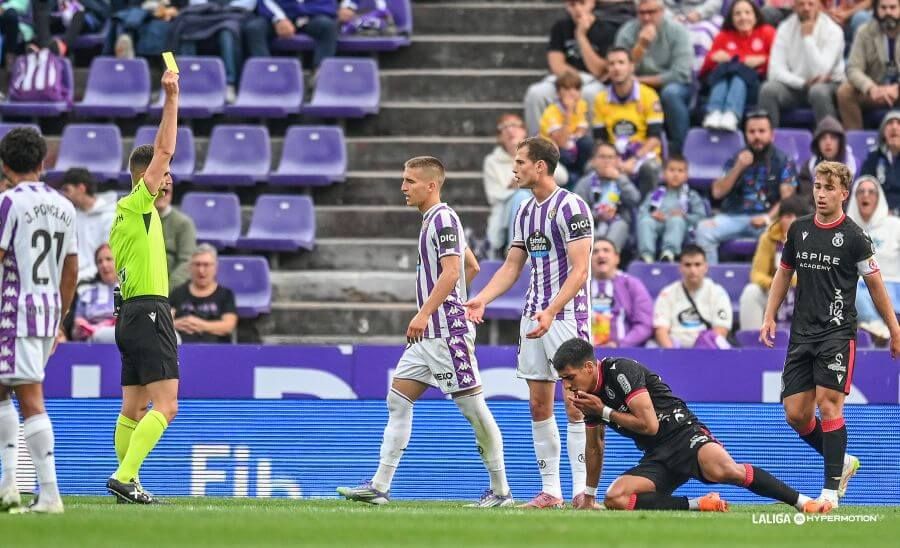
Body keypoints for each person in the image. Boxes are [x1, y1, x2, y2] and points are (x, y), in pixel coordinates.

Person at [337, 157, 513, 508]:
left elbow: (451, 272)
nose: (403, 187)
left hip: (446, 335)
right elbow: (471, 266)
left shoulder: (443, 219)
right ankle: (379, 486)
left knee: (475, 411)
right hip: (428, 337)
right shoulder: (433, 221)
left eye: (410, 181)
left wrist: (428, 313)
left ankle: (501, 492)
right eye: (404, 180)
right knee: (398, 399)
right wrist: (457, 302)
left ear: (431, 185)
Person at [552, 337, 834, 513]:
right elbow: (595, 446)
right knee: (616, 498)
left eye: (569, 377)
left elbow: (649, 425)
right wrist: (589, 495)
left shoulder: (621, 371)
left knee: (725, 470)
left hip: (684, 435)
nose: (567, 386)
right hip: (657, 456)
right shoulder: (588, 398)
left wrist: (604, 411)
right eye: (563, 380)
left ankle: (803, 502)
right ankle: (699, 504)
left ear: (589, 368)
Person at [761, 161, 900, 507]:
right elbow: (783, 273)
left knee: (829, 405)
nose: (820, 194)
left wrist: (894, 328)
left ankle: (829, 493)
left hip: (837, 333)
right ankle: (844, 462)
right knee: (795, 414)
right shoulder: (799, 230)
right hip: (801, 334)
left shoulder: (855, 237)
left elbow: (876, 285)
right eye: (817, 187)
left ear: (843, 193)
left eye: (828, 188)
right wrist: (769, 315)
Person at [465, 137, 593, 509]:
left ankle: (582, 492)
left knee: (576, 404)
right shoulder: (523, 210)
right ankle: (551, 491)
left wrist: (553, 310)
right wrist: (482, 298)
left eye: (520, 162)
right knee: (539, 405)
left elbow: (581, 269)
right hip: (534, 316)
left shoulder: (572, 206)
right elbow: (512, 266)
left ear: (540, 166)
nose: (514, 168)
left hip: (566, 316)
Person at [106, 69, 181, 505]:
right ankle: (125, 475)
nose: (167, 179)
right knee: (167, 406)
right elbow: (166, 147)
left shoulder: (123, 215)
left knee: (133, 409)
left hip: (129, 315)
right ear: (143, 177)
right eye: (161, 175)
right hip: (150, 312)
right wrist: (171, 97)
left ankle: (125, 480)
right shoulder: (138, 203)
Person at [0, 127, 79, 514]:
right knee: (3, 390)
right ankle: (9, 484)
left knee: (29, 397)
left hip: (12, 310)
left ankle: (49, 495)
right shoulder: (64, 205)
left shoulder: (8, 203)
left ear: (4, 164)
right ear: (43, 162)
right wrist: (59, 318)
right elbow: (71, 268)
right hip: (46, 310)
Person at [695, 110, 798, 264]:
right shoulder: (736, 158)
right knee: (703, 230)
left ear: (772, 135)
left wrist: (767, 218)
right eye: (751, 132)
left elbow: (787, 198)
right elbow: (717, 192)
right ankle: (710, 281)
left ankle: (771, 282)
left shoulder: (783, 160)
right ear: (745, 135)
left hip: (768, 218)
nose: (756, 136)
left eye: (761, 131)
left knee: (786, 230)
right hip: (733, 216)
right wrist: (738, 167)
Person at [522, 0, 617, 135]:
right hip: (563, 79)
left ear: (592, 3)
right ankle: (537, 147)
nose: (577, 8)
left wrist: (581, 36)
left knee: (591, 95)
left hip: (591, 81)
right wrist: (571, 85)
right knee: (536, 93)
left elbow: (599, 69)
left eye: (582, 3)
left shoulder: (606, 29)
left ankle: (588, 146)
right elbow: (556, 64)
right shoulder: (560, 27)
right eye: (572, 4)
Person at [484, 113, 568, 258]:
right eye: (504, 128)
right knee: (521, 198)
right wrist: (518, 187)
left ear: (524, 131)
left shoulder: (537, 154)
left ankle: (518, 254)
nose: (510, 130)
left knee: (526, 197)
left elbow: (562, 176)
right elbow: (493, 195)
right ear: (499, 137)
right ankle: (517, 253)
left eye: (515, 125)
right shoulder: (492, 161)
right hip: (506, 211)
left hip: (541, 205)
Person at [614, 0, 694, 153]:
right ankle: (622, 150)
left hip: (674, 85)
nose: (646, 18)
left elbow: (680, 73)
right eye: (642, 13)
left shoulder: (677, 31)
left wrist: (640, 81)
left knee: (670, 93)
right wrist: (641, 45)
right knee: (620, 90)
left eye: (652, 12)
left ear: (662, 11)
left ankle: (679, 151)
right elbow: (620, 67)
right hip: (636, 86)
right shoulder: (627, 31)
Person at [758, 0, 844, 129]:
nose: (806, 8)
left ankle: (831, 138)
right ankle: (769, 141)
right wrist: (803, 83)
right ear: (794, 6)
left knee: (818, 91)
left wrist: (807, 38)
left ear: (819, 6)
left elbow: (821, 72)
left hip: (828, 85)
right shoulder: (785, 28)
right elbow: (774, 71)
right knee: (768, 90)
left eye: (811, 4)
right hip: (796, 87)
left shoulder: (833, 30)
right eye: (801, 4)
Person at [591, 47, 664, 194]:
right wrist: (611, 160)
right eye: (611, 64)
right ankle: (600, 210)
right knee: (590, 168)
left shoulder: (649, 95)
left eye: (621, 62)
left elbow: (655, 138)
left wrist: (634, 160)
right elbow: (600, 140)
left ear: (631, 67)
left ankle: (645, 211)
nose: (616, 68)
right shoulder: (600, 99)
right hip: (613, 155)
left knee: (650, 168)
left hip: (643, 155)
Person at [700, 0, 776, 132]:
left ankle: (732, 115)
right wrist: (714, 59)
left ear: (756, 16)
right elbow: (705, 69)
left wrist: (764, 59)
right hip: (723, 83)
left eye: (747, 13)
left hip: (754, 86)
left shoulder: (767, 32)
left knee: (738, 75)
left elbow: (779, 61)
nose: (743, 17)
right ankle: (713, 113)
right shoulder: (723, 36)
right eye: (738, 14)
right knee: (726, 73)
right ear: (731, 18)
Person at [738, 195, 810, 331]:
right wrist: (774, 284)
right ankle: (751, 344)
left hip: (806, 294)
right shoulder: (768, 238)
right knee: (751, 292)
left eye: (798, 216)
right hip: (775, 292)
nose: (793, 221)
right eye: (788, 216)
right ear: (780, 218)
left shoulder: (817, 239)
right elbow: (757, 273)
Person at [846, 175, 900, 340]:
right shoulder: (845, 229)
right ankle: (878, 328)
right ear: (854, 198)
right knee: (850, 291)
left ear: (879, 198)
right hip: (859, 291)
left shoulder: (895, 225)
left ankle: (883, 328)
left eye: (871, 192)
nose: (866, 195)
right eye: (861, 192)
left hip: (892, 287)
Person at [653, 244, 732, 348]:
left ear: (706, 267)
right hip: (675, 348)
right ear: (680, 267)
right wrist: (672, 355)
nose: (693, 270)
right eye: (687, 265)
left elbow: (721, 329)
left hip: (708, 349)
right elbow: (661, 330)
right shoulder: (667, 293)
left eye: (697, 264)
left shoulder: (718, 292)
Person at [837, 0, 900, 130]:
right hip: (874, 90)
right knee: (845, 92)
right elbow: (853, 68)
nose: (888, 12)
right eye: (883, 8)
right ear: (876, 9)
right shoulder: (864, 32)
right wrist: (871, 88)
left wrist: (897, 89)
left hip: (897, 90)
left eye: (893, 7)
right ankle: (855, 141)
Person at [636, 154, 707, 263]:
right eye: (671, 170)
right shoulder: (655, 194)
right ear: (664, 174)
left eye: (680, 171)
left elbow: (701, 217)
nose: (675, 174)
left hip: (681, 229)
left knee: (676, 220)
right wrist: (652, 215)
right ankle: (646, 255)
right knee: (646, 222)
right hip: (657, 224)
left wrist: (685, 216)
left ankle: (669, 254)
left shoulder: (691, 195)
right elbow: (642, 212)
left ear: (686, 175)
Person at [573, 142, 640, 252]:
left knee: (621, 225)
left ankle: (607, 257)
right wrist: (597, 216)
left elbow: (635, 199)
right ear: (593, 161)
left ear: (616, 161)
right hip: (592, 223)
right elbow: (576, 212)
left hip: (617, 222)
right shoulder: (585, 183)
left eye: (610, 157)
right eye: (602, 157)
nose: (607, 161)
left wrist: (619, 178)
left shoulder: (622, 179)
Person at [589, 238, 654, 348]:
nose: (601, 255)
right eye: (595, 252)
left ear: (617, 258)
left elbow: (644, 325)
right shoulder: (581, 287)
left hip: (624, 352)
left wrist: (620, 345)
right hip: (586, 355)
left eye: (606, 250)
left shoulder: (632, 284)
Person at [58, 167, 117, 283]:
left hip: (101, 279)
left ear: (81, 188)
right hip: (75, 278)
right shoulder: (71, 216)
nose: (64, 195)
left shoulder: (111, 215)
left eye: (67, 190)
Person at [169, 244, 238, 344]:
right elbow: (166, 322)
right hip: (182, 349)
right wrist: (177, 324)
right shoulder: (178, 293)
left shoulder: (226, 294)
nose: (201, 270)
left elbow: (228, 326)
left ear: (215, 268)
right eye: (197, 264)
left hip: (216, 349)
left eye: (206, 265)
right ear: (190, 267)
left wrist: (200, 325)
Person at [540, 70, 594, 187]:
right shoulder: (551, 111)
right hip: (555, 152)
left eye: (576, 89)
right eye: (567, 89)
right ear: (559, 93)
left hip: (572, 147)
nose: (572, 93)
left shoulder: (581, 105)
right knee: (565, 152)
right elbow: (561, 142)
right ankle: (570, 180)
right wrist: (568, 113)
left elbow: (581, 130)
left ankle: (581, 176)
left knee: (587, 143)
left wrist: (573, 140)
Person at [250, 0, 338, 69]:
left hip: (312, 16)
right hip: (277, 15)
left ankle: (322, 74)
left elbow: (329, 4)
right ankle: (264, 73)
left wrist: (304, 11)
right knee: (254, 28)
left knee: (327, 25)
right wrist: (279, 19)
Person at [154, 180, 196, 292]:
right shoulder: (137, 221)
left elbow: (187, 262)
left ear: (171, 194)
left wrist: (167, 288)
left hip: (171, 290)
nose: (161, 195)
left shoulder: (184, 224)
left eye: (165, 191)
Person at [72, 243, 119, 343]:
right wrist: (78, 330)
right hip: (90, 342)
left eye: (108, 259)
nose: (104, 265)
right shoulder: (86, 292)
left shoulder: (129, 290)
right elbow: (74, 332)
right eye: (100, 261)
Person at [797, 116, 857, 194]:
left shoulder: (854, 167)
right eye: (823, 138)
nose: (828, 142)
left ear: (840, 142)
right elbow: (806, 197)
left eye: (833, 138)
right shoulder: (808, 168)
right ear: (817, 143)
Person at [859, 109, 900, 210]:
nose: (894, 127)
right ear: (883, 132)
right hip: (878, 214)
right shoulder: (874, 156)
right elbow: (864, 183)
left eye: (899, 123)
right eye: (890, 123)